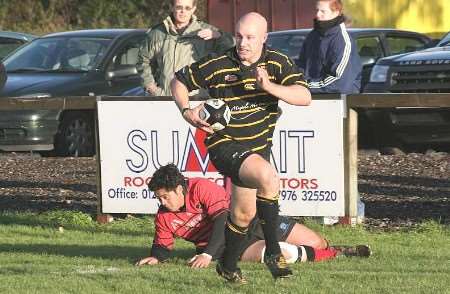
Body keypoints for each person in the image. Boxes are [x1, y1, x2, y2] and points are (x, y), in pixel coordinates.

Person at [170, 12, 312, 283]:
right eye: (239, 36)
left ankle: (228, 265)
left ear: (264, 39)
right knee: (268, 177)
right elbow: (178, 81)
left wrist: (269, 86)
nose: (243, 43)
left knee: (243, 215)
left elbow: (304, 96)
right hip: (224, 144)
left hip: (258, 147)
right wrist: (186, 110)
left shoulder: (277, 63)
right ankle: (273, 251)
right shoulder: (219, 63)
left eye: (250, 37)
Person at [136, 164, 370, 268]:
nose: (162, 202)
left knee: (316, 241)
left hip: (251, 222)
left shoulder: (201, 187)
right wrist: (156, 257)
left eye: (165, 196)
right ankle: (335, 255)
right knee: (280, 253)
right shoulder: (163, 216)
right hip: (226, 246)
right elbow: (162, 245)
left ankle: (329, 249)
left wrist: (206, 255)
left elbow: (221, 219)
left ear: (180, 189)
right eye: (158, 198)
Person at [139, 0, 234, 96]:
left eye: (187, 8)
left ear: (193, 9)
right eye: (179, 7)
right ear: (172, 7)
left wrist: (220, 35)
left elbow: (232, 49)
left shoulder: (206, 31)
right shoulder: (157, 33)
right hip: (165, 99)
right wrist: (151, 87)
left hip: (196, 101)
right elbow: (143, 60)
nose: (183, 11)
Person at [297, 0, 362, 94]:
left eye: (323, 11)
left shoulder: (342, 40)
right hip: (311, 96)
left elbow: (339, 82)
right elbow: (302, 65)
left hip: (340, 101)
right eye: (317, 10)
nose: (318, 14)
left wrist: (305, 85)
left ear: (336, 12)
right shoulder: (312, 36)